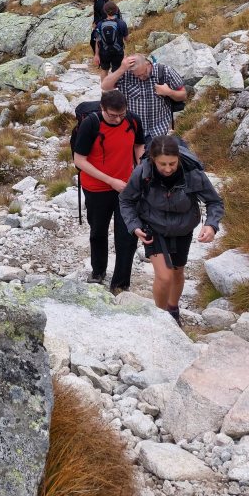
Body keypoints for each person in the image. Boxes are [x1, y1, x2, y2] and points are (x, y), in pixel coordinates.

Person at [120, 135, 224, 323]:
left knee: (177, 272)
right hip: (153, 227)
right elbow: (126, 200)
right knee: (165, 276)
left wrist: (211, 225)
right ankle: (160, 319)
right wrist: (134, 226)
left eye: (172, 164)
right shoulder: (143, 173)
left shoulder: (192, 173)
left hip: (183, 228)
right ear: (153, 159)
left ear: (179, 159)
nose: (168, 169)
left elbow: (214, 202)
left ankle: (173, 310)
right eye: (163, 164)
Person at [73, 90, 144, 292]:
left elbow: (139, 145)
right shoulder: (91, 124)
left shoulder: (132, 120)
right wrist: (110, 180)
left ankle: (120, 284)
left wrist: (140, 168)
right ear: (102, 108)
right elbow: (79, 160)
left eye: (121, 114)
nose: (118, 119)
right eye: (112, 115)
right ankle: (98, 271)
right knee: (98, 231)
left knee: (128, 235)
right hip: (96, 188)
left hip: (126, 187)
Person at [101, 53, 186, 141]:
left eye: (144, 73)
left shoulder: (164, 71)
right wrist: (121, 69)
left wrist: (169, 92)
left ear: (148, 63)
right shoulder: (125, 74)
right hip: (133, 130)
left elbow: (183, 95)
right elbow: (105, 86)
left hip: (159, 130)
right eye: (138, 76)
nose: (142, 77)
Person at [94, 1, 128, 72]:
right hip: (118, 51)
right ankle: (114, 83)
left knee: (104, 71)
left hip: (104, 52)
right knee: (116, 72)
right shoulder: (122, 23)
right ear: (116, 10)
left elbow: (97, 41)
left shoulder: (100, 24)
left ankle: (104, 83)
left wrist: (96, 55)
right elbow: (126, 39)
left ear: (104, 11)